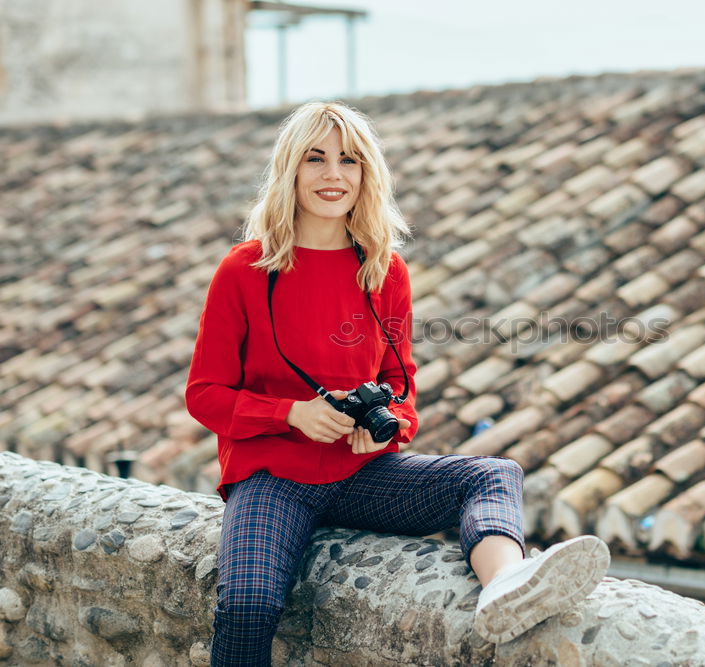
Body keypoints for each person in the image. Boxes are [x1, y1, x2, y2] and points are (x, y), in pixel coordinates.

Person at [185, 101, 610, 665]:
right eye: (315, 159)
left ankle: (507, 585)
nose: (333, 175)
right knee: (245, 604)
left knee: (494, 474)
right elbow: (204, 394)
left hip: (362, 474)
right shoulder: (245, 270)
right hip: (272, 478)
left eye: (348, 161)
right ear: (290, 169)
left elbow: (399, 383)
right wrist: (290, 414)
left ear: (367, 175)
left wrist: (390, 431)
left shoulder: (384, 270)